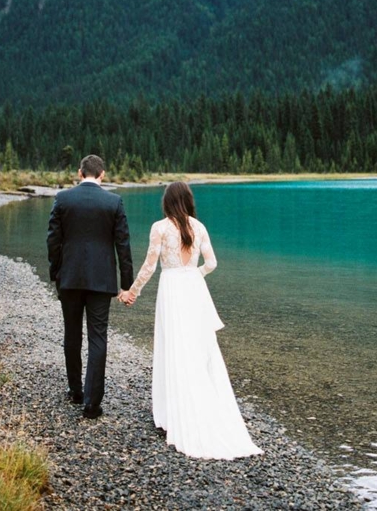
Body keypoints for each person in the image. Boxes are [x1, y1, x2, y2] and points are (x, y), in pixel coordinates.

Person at [124, 181, 261, 459]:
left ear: (167, 202)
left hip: (172, 289)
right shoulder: (199, 227)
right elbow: (211, 264)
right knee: (199, 347)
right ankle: (203, 404)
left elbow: (150, 266)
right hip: (193, 289)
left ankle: (171, 413)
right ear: (188, 201)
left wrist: (132, 292)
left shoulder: (159, 227)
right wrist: (194, 276)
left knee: (173, 346)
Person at [46, 154, 133, 419]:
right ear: (103, 175)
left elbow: (53, 240)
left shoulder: (63, 199)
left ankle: (75, 391)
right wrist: (126, 284)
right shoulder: (114, 202)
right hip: (101, 281)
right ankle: (92, 404)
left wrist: (56, 273)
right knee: (98, 337)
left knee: (72, 335)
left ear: (80, 172)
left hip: (70, 278)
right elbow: (123, 246)